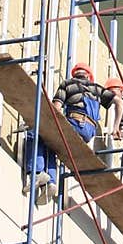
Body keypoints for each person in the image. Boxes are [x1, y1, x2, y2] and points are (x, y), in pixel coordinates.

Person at [23, 63, 115, 201]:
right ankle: (50, 183)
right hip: (88, 133)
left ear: (75, 74)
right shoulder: (96, 88)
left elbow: (56, 108)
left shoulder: (67, 84)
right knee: (53, 145)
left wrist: (43, 122)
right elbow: (119, 101)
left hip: (75, 123)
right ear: (88, 76)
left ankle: (36, 172)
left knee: (35, 133)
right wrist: (116, 126)